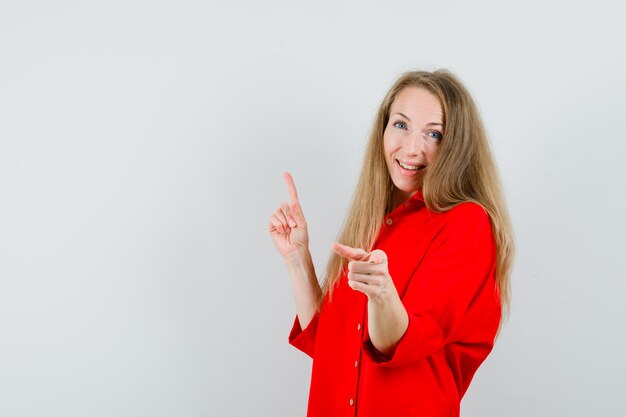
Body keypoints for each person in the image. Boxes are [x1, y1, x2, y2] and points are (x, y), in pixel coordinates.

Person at [268, 69, 514, 417]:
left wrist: (383, 296)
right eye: (401, 125)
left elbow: (398, 344)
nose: (412, 148)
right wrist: (297, 258)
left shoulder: (466, 223)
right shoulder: (373, 218)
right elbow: (329, 347)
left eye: (434, 133)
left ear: (457, 147)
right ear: (383, 129)